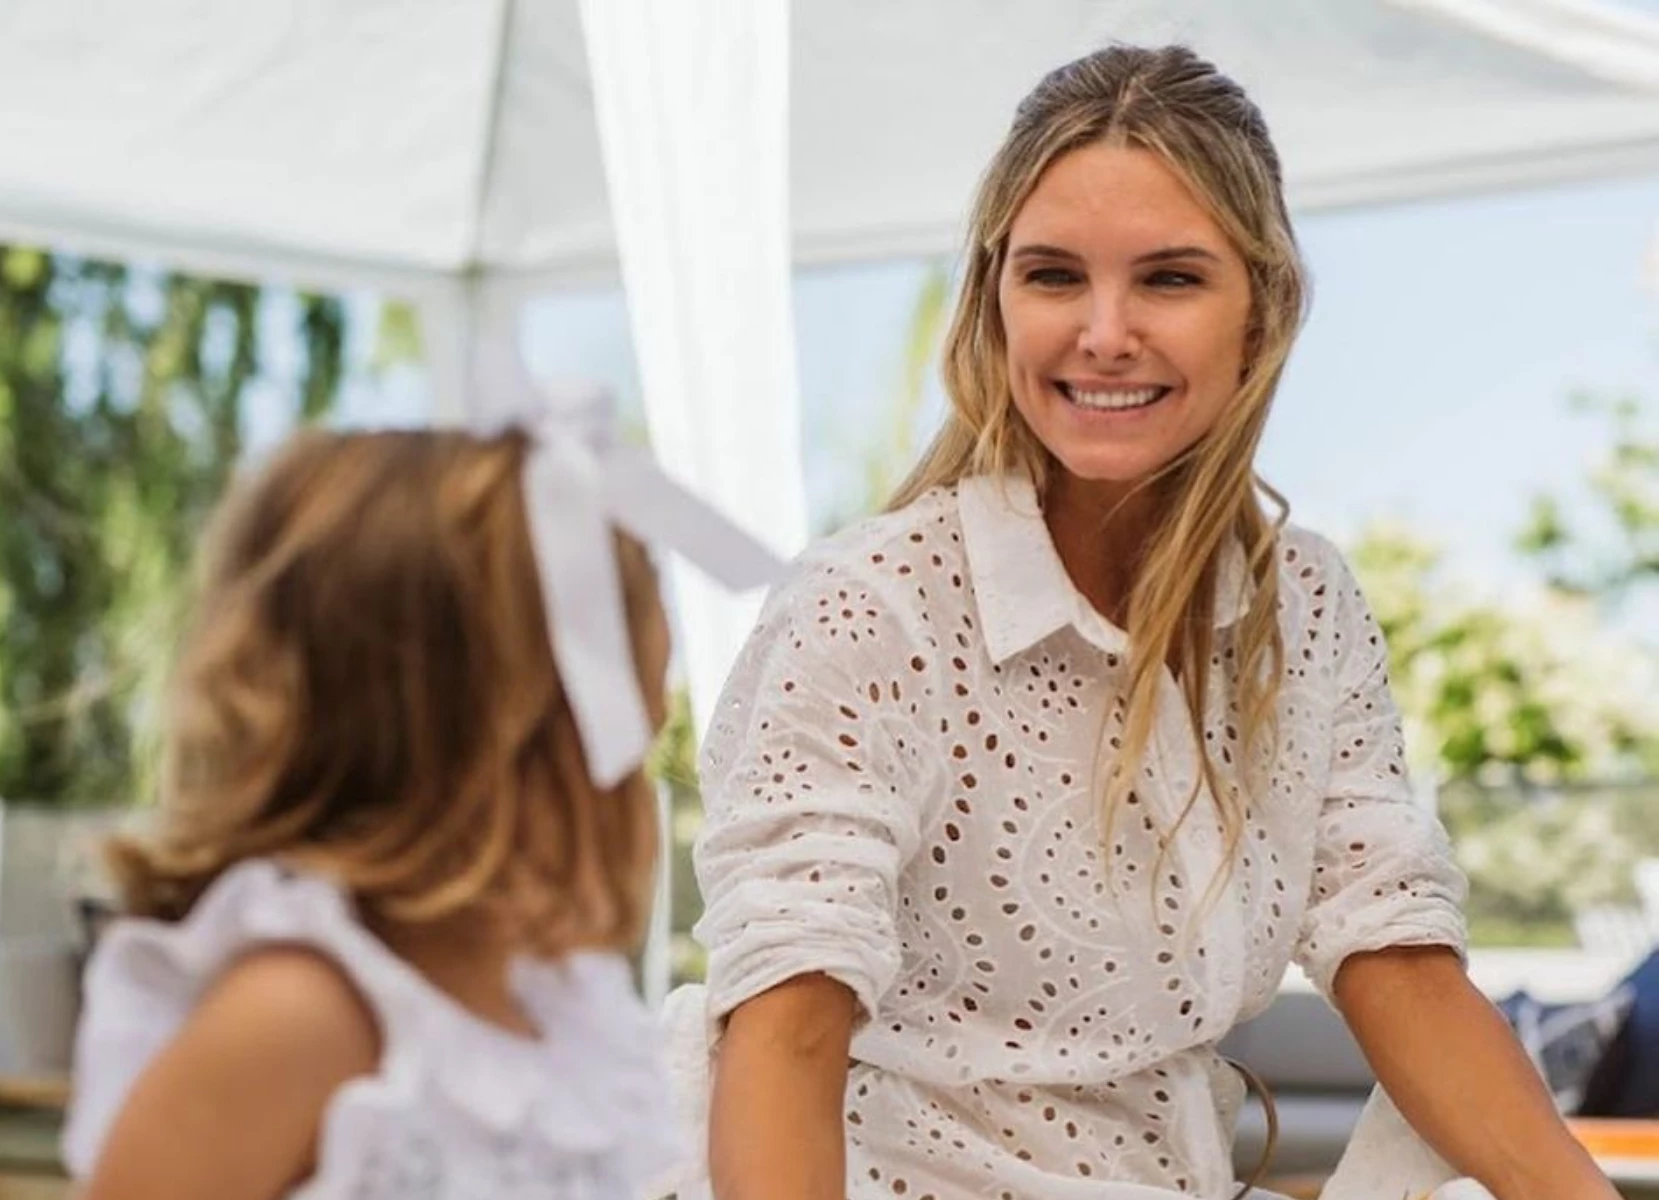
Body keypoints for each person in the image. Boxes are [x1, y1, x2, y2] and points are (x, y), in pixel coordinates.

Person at [673, 43, 1619, 1200]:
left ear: (1261, 311)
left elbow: (1399, 962)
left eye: (1169, 278)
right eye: (1054, 275)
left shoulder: (1306, 610)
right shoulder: (872, 609)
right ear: (994, 297)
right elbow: (785, 1033)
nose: (1104, 332)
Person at [62, 390, 774, 1199]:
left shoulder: (569, 1015)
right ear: (489, 745)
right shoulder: (300, 1020)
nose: (634, 792)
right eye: (613, 747)